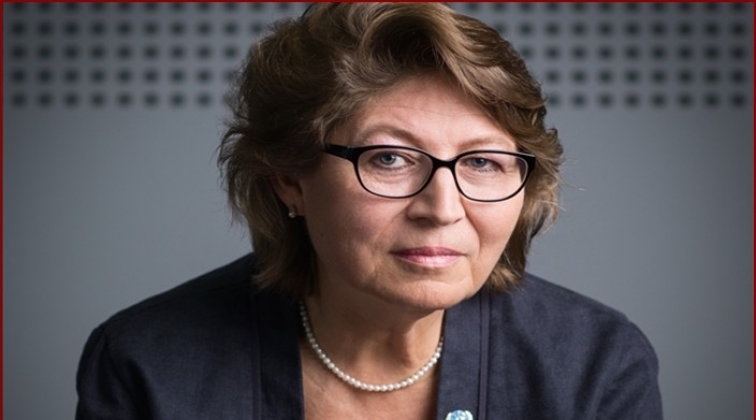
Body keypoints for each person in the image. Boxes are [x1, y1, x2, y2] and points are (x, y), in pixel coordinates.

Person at [75, 3, 662, 419]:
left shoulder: (595, 365)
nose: (443, 209)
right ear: (289, 180)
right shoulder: (148, 364)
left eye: (483, 162)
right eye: (389, 158)